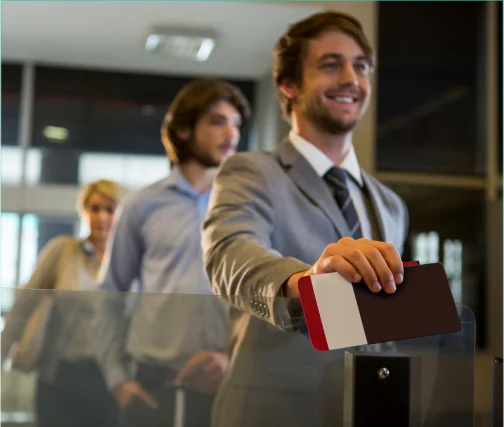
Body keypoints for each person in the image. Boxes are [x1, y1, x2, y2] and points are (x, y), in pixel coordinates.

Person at [201, 11, 409, 427]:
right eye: (331, 64)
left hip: (367, 407)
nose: (351, 78)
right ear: (289, 85)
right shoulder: (250, 171)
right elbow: (229, 254)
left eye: (361, 66)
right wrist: (308, 282)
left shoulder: (390, 205)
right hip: (272, 413)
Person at [93, 79, 252, 427]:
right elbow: (109, 294)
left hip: (228, 379)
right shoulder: (142, 204)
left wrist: (235, 359)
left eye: (236, 123)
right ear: (183, 129)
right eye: (217, 121)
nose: (231, 133)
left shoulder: (248, 206)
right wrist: (118, 380)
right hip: (154, 386)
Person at [0, 179, 122, 427]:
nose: (102, 217)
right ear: (84, 211)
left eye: (110, 209)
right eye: (95, 208)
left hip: (110, 379)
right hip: (59, 375)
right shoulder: (62, 251)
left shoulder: (126, 260)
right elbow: (23, 307)